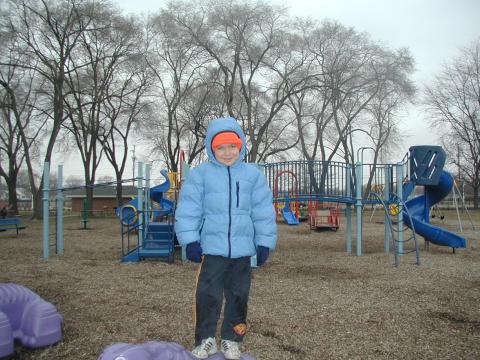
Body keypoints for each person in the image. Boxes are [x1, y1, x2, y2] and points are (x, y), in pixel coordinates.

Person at [175, 116, 277, 360]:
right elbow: (189, 209)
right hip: (212, 249)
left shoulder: (252, 175)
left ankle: (233, 340)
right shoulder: (201, 175)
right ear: (212, 148)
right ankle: (205, 339)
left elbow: (263, 211)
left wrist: (264, 242)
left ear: (240, 146)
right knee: (208, 295)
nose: (227, 152)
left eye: (232, 146)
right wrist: (190, 240)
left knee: (239, 297)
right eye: (221, 147)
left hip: (242, 251)